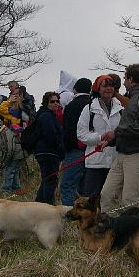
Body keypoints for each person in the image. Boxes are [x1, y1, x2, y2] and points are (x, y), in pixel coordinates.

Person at [100, 64, 139, 211]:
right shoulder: (131, 98)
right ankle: (110, 231)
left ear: (131, 80)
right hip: (122, 153)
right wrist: (112, 139)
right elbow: (129, 128)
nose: (123, 81)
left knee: (130, 200)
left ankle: (134, 233)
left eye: (125, 78)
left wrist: (116, 132)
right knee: (106, 195)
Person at [76, 75, 124, 197]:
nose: (108, 88)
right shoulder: (89, 109)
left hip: (115, 161)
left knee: (111, 199)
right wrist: (100, 137)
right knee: (92, 198)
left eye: (111, 85)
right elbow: (81, 134)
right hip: (95, 162)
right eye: (105, 85)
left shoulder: (120, 109)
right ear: (98, 88)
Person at [59, 78, 92, 206]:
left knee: (68, 185)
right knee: (85, 186)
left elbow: (67, 130)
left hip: (74, 149)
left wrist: (64, 148)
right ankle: (86, 215)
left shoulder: (71, 106)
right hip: (92, 149)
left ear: (75, 89)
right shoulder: (93, 104)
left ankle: (69, 215)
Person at [34, 92, 65, 204]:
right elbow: (51, 135)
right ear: (46, 102)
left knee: (47, 179)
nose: (56, 103)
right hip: (48, 152)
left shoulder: (48, 115)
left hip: (45, 152)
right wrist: (60, 148)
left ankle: (38, 203)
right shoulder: (46, 116)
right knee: (50, 180)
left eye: (57, 101)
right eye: (52, 101)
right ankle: (47, 205)